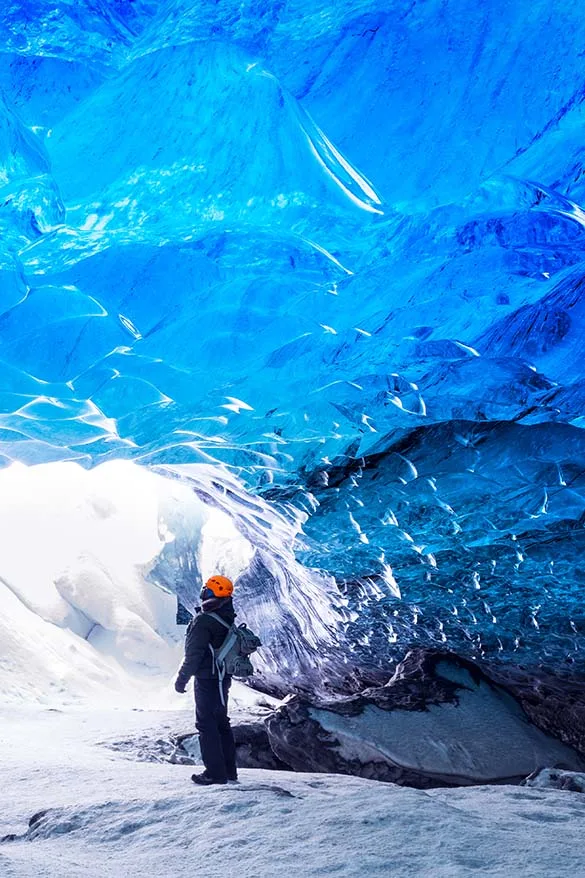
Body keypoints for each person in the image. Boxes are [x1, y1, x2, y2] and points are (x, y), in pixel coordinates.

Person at [174, 574, 238, 785]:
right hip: (222, 678)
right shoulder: (226, 617)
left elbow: (194, 655)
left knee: (206, 725)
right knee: (221, 723)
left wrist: (181, 679)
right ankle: (229, 772)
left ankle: (215, 774)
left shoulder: (204, 621)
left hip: (207, 680)